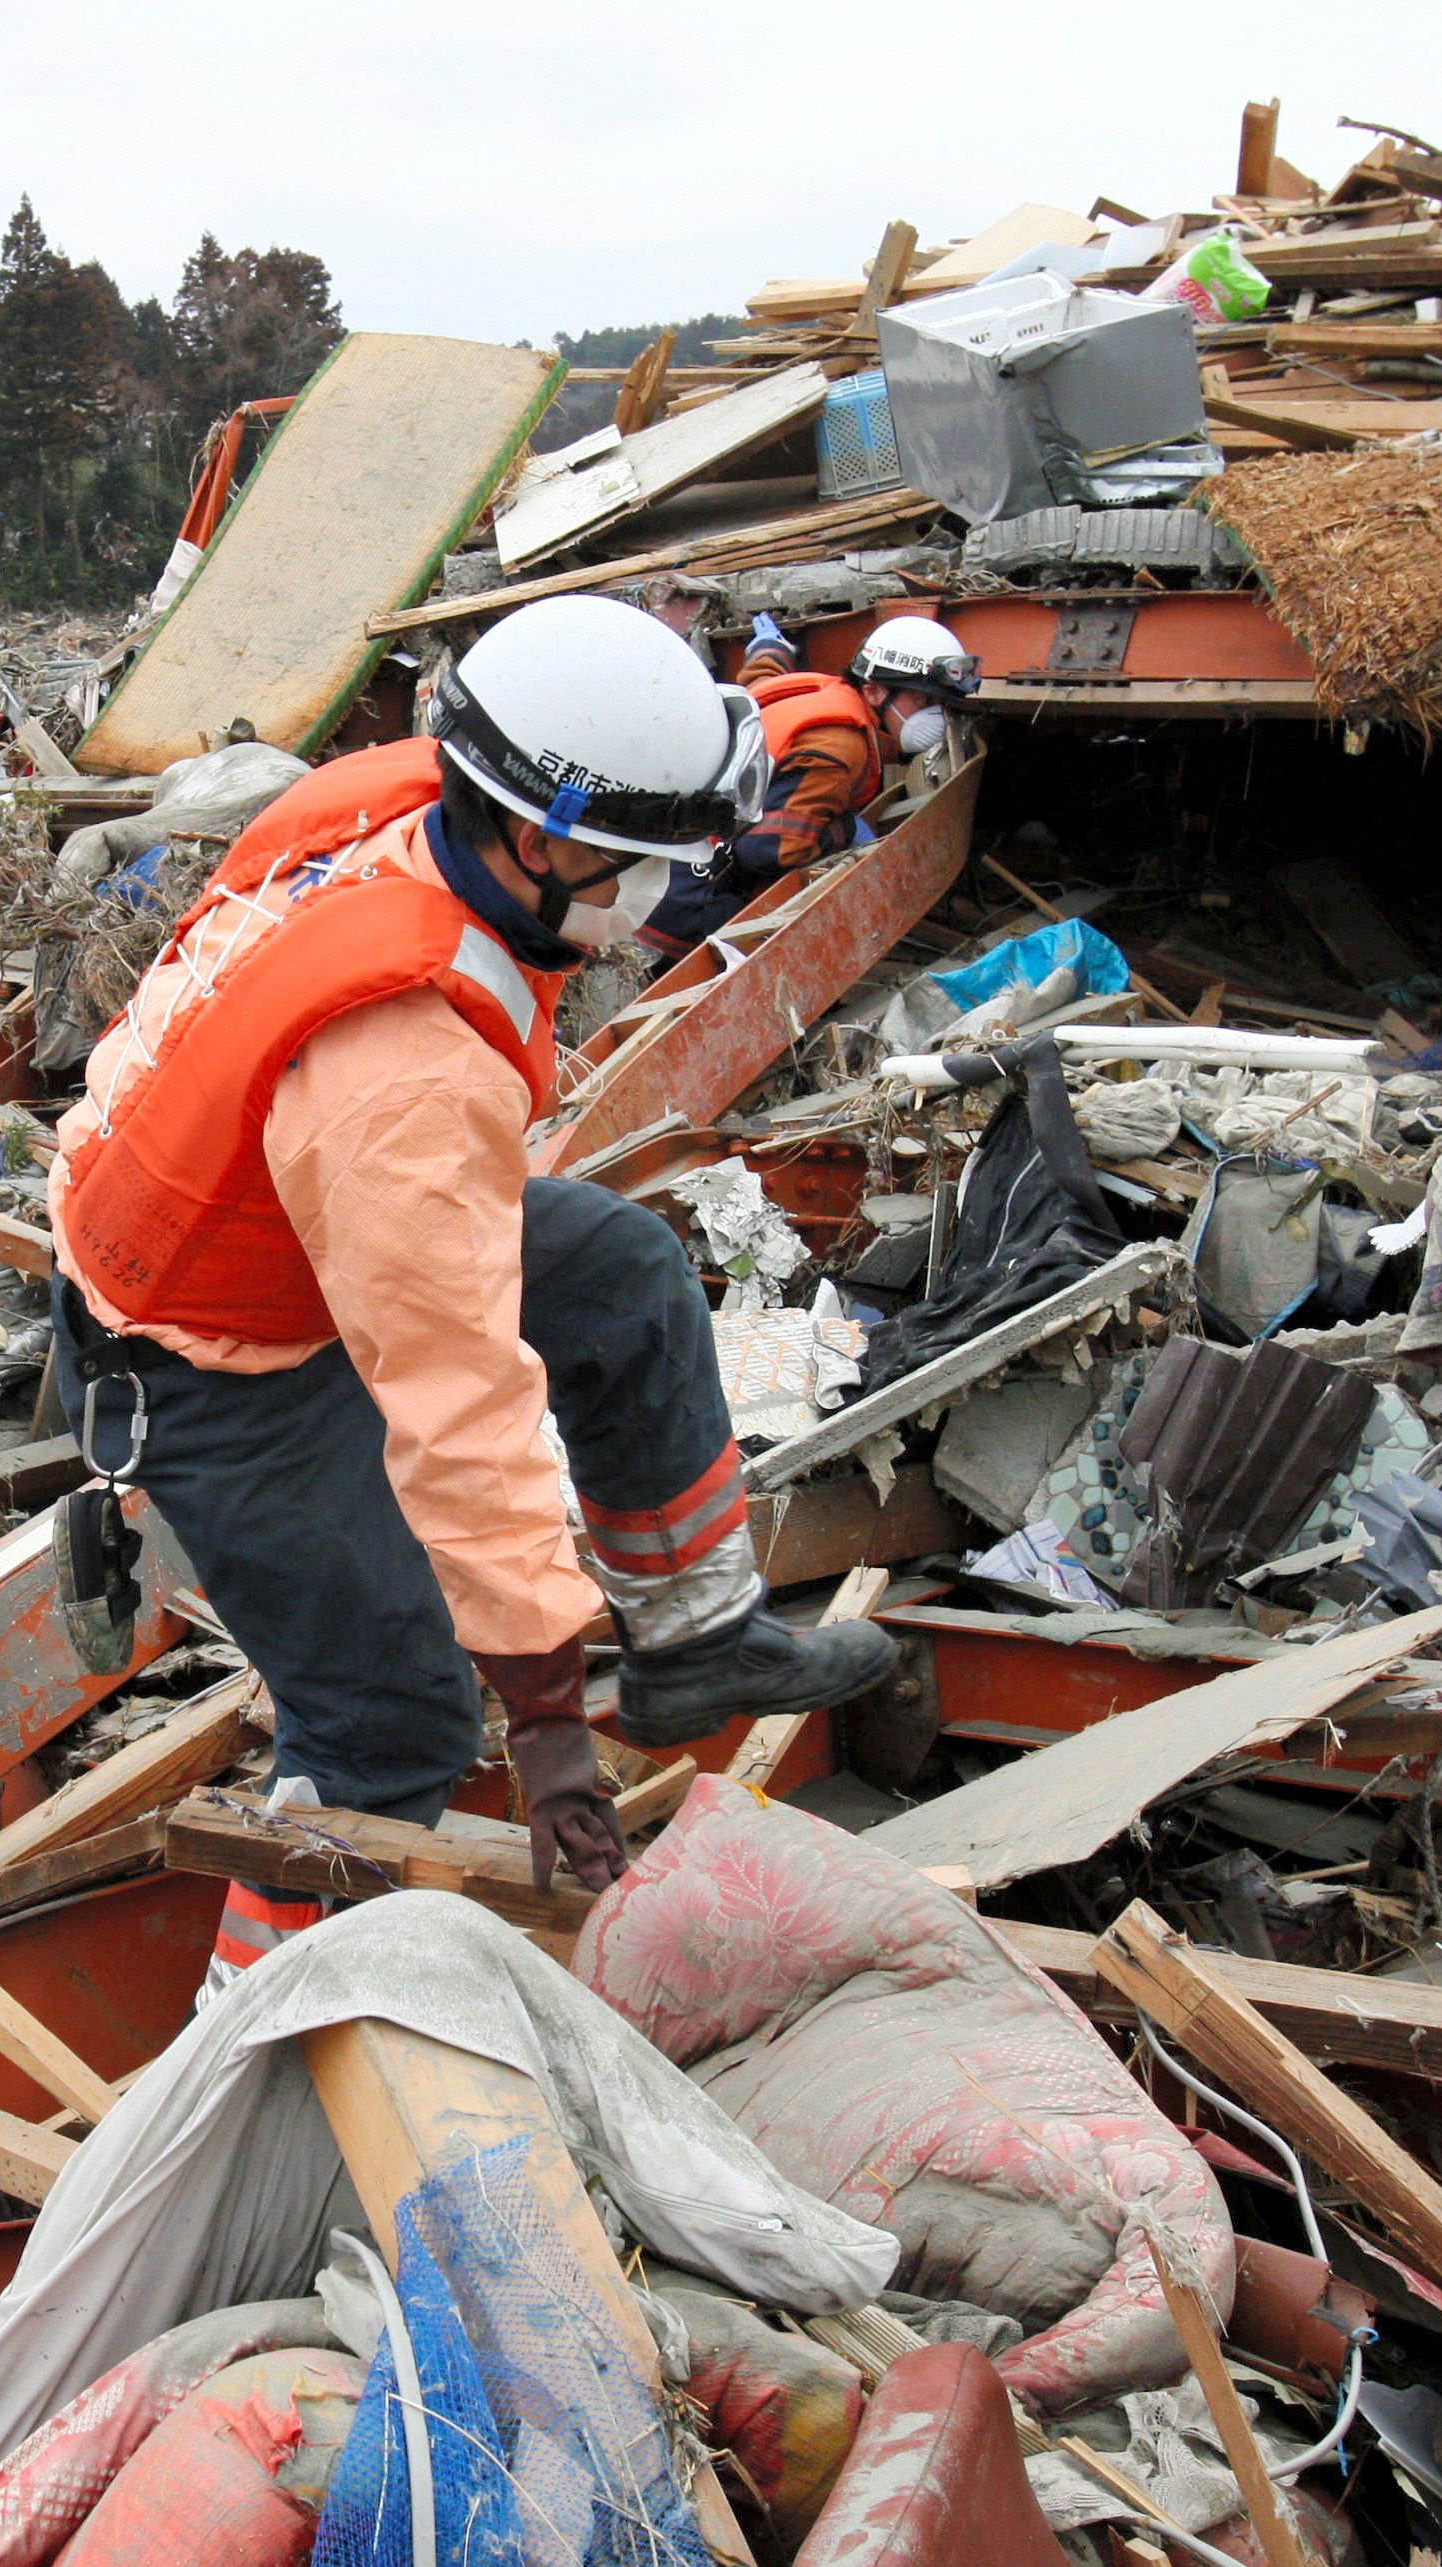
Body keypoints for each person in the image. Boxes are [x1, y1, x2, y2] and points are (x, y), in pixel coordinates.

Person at [49, 592, 895, 1988]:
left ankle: (695, 1639)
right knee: (386, 1731)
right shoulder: (404, 1078)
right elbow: (460, 1409)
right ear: (544, 834)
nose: (644, 897)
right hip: (215, 1359)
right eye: (629, 863)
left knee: (619, 1274)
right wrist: (548, 1714)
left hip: (285, 1222)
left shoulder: (395, 798)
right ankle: (257, 2052)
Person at [644, 611, 981, 954]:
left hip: (656, 868)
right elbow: (768, 849)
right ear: (875, 691)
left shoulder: (821, 692)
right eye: (924, 700)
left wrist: (771, 650)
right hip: (690, 901)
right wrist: (846, 830)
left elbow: (762, 680)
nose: (934, 716)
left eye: (941, 703)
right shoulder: (840, 747)